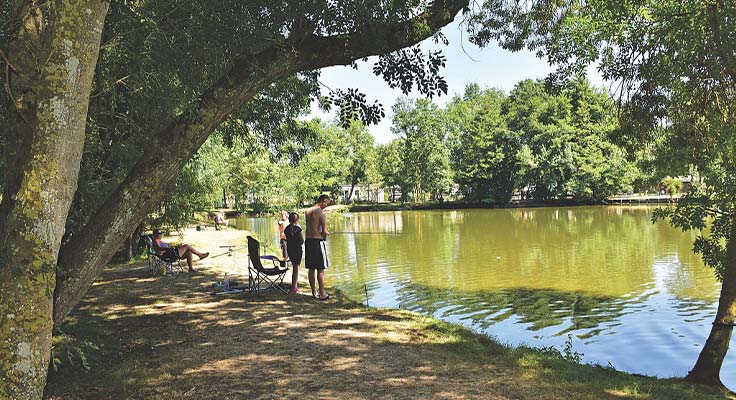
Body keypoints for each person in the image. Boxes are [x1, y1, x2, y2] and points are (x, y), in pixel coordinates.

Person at [305, 194, 331, 300]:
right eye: (326, 203)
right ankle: (322, 293)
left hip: (308, 241)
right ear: (323, 201)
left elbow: (310, 226)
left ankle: (313, 292)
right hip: (317, 242)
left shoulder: (307, 211)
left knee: (311, 268)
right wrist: (325, 236)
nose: (326, 206)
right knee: (320, 268)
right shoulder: (321, 213)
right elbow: (324, 231)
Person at [283, 212, 303, 294]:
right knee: (296, 268)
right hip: (297, 249)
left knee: (295, 267)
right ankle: (294, 287)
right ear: (297, 220)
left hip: (290, 249)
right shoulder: (298, 229)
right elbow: (302, 240)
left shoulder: (287, 229)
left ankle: (294, 286)